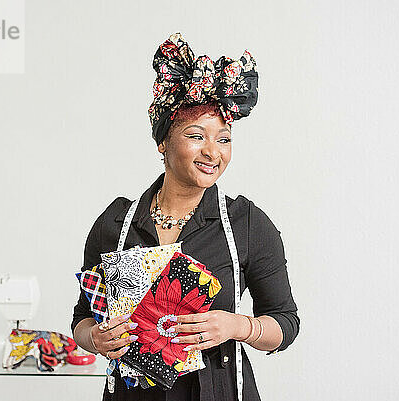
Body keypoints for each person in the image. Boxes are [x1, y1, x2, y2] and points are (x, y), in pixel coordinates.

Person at [71, 33, 300, 401]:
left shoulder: (246, 223)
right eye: (196, 135)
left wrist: (239, 326)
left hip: (216, 392)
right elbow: (82, 318)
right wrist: (95, 338)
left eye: (223, 139)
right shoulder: (116, 224)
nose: (213, 152)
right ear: (163, 141)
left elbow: (285, 322)